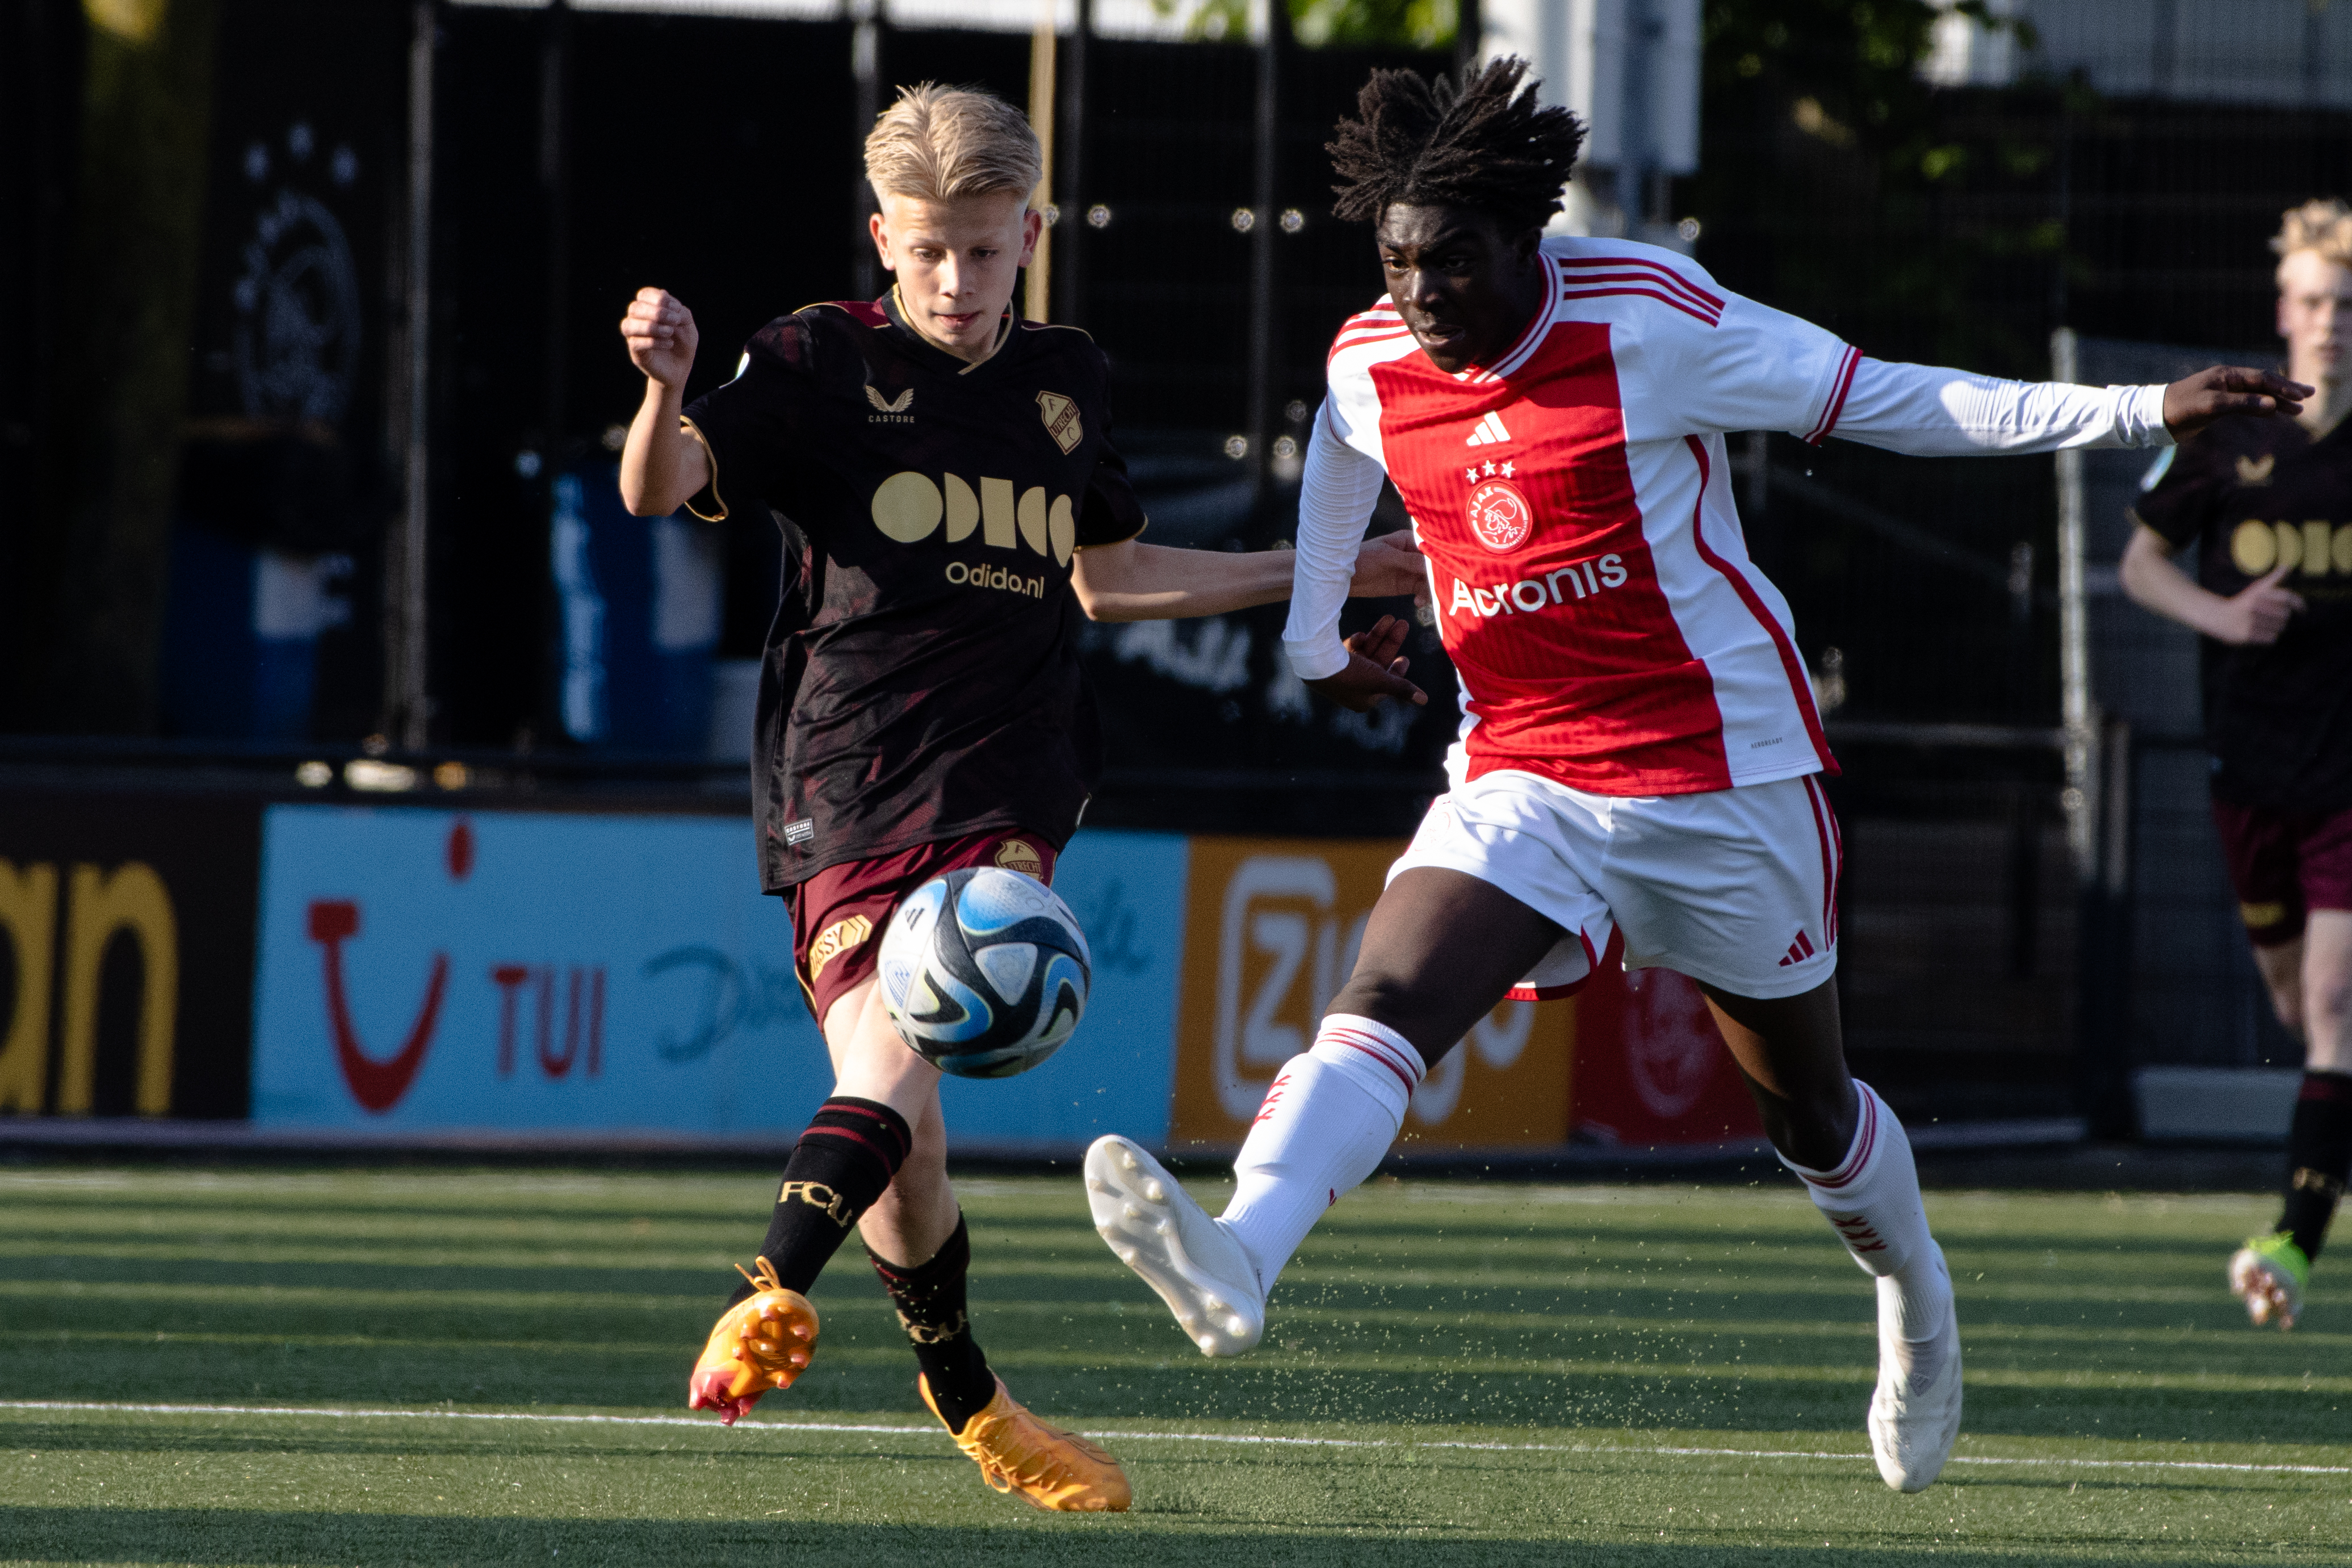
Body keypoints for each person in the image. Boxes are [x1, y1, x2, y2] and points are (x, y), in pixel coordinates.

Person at [1082, 57, 2308, 1495]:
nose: (1420, 294)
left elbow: (1892, 399)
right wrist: (1308, 642)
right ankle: (1242, 1248)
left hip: (1724, 780)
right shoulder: (1374, 355)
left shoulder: (1650, 320)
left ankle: (1912, 1291)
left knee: (1809, 1115)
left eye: (1452, 262)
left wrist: (2132, 409)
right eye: (1396, 260)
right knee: (1388, 997)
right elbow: (1341, 462)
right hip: (1524, 772)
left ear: (1525, 235)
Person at [617, 83, 1421, 1511]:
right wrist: (666, 384)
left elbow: (1107, 581)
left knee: (900, 1064)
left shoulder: (1067, 380)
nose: (954, 281)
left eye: (982, 251)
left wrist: (1329, 576)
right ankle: (971, 1399)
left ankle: (766, 1289)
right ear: (884, 240)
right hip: (844, 775)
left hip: (1008, 779)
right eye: (926, 251)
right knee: (904, 1135)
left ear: (1028, 235)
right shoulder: (813, 358)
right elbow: (658, 485)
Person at [2120, 198, 2352, 1332]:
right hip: (2249, 765)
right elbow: (2138, 568)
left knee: (2330, 1002)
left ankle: (2292, 1242)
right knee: (2292, 1007)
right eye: (2311, 302)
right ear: (2281, 311)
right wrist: (2221, 617)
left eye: (2344, 304)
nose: (2328, 322)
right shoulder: (2225, 436)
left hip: (2345, 772)